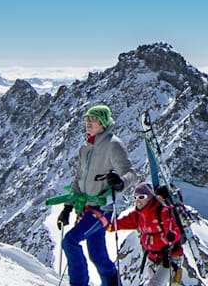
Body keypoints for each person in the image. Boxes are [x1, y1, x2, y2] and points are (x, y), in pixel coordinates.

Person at [57, 105, 139, 286]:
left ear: (102, 122)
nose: (88, 122)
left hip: (102, 208)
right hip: (87, 208)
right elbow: (79, 179)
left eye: (92, 119)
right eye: (87, 119)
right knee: (97, 253)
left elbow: (132, 174)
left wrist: (120, 182)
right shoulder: (86, 147)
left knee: (70, 242)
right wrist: (68, 207)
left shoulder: (113, 145)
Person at [109, 183, 186, 286]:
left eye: (142, 197)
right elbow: (117, 224)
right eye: (135, 197)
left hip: (170, 259)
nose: (137, 200)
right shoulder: (137, 215)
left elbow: (174, 229)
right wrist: (104, 224)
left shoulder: (162, 211)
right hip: (153, 259)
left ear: (150, 198)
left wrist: (172, 235)